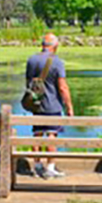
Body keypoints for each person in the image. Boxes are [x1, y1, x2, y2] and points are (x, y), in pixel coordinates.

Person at [25, 33, 73, 179]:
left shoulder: (31, 59)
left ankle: (37, 166)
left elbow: (28, 82)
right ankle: (50, 168)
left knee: (37, 134)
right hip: (53, 105)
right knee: (52, 134)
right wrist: (69, 106)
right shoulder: (57, 62)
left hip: (36, 104)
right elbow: (63, 87)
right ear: (55, 46)